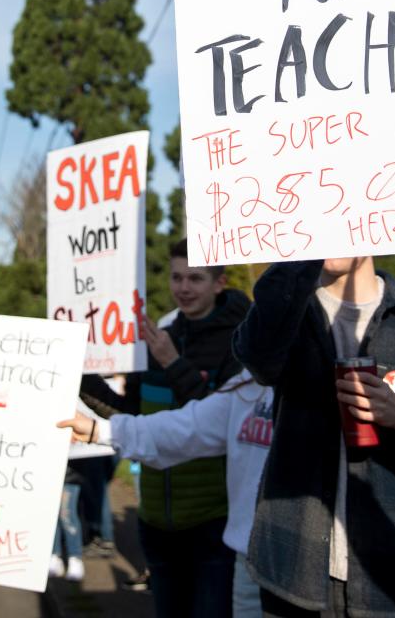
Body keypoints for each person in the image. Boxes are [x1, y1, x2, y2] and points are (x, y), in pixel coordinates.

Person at [233, 256, 395, 617]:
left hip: (393, 580)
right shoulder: (286, 314)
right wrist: (296, 253)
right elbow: (258, 360)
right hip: (292, 569)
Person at [82, 238, 250, 618]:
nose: (183, 288)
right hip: (155, 521)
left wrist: (173, 363)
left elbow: (221, 421)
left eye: (195, 278)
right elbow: (129, 415)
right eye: (177, 278)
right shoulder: (160, 335)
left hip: (214, 524)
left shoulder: (241, 342)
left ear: (219, 283)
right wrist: (82, 376)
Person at [58, 367, 274, 618]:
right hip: (247, 558)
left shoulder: (315, 376)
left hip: (303, 565)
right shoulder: (247, 384)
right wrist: (101, 431)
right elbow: (188, 426)